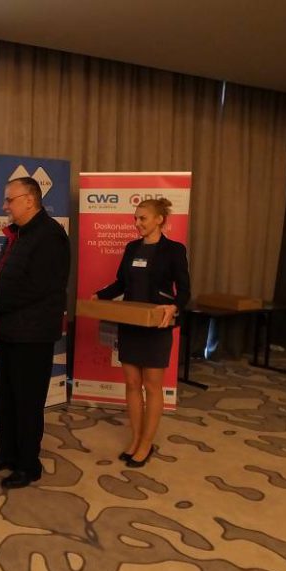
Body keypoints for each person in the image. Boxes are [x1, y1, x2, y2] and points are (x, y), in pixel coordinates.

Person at [0, 177, 70, 489]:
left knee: (27, 403)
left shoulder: (50, 236)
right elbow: (0, 274)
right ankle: (6, 454)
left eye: (9, 200)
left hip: (33, 335)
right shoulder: (19, 233)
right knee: (5, 399)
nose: (4, 206)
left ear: (29, 200)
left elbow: (37, 288)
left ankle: (29, 466)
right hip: (10, 330)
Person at [94, 198, 190, 467]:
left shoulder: (174, 250)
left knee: (152, 386)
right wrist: (99, 296)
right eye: (135, 218)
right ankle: (136, 438)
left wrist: (174, 307)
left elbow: (184, 290)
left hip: (157, 324)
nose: (137, 223)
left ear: (159, 219)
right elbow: (121, 283)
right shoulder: (131, 248)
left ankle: (147, 443)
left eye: (142, 218)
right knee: (132, 384)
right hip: (130, 324)